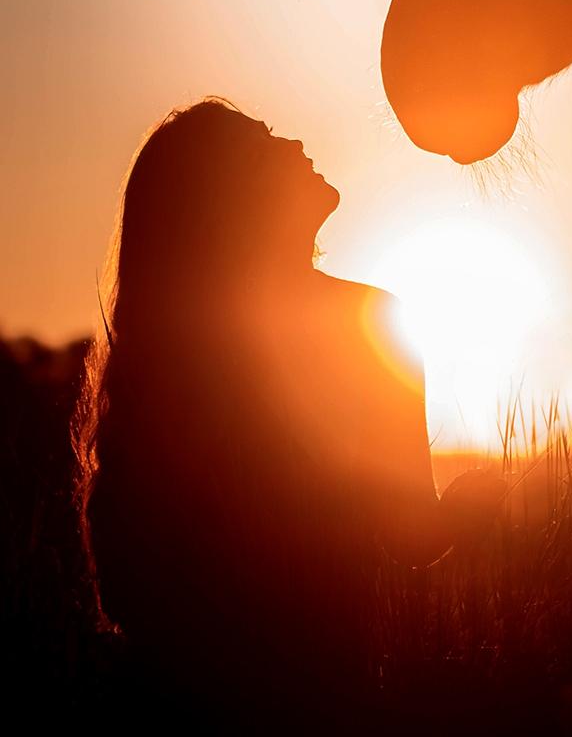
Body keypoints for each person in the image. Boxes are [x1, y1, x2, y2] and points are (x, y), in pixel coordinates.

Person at [75, 97, 501, 723]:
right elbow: (414, 537)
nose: (294, 142)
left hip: (171, 698)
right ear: (231, 199)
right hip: (317, 693)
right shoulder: (368, 322)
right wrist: (484, 499)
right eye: (265, 141)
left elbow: (125, 587)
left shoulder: (170, 358)